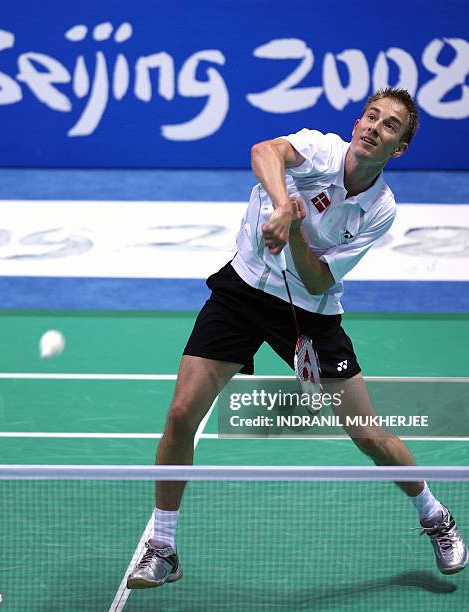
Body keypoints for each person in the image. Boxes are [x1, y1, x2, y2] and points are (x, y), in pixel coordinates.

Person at [126, 87, 468, 589]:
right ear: (356, 124)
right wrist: (285, 203)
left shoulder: (380, 210)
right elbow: (264, 151)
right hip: (242, 291)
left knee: (368, 435)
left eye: (390, 126)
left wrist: (296, 233)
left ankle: (435, 515)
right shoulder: (322, 150)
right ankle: (163, 545)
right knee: (181, 414)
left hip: (309, 315)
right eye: (371, 117)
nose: (375, 127)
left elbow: (320, 280)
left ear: (399, 149)